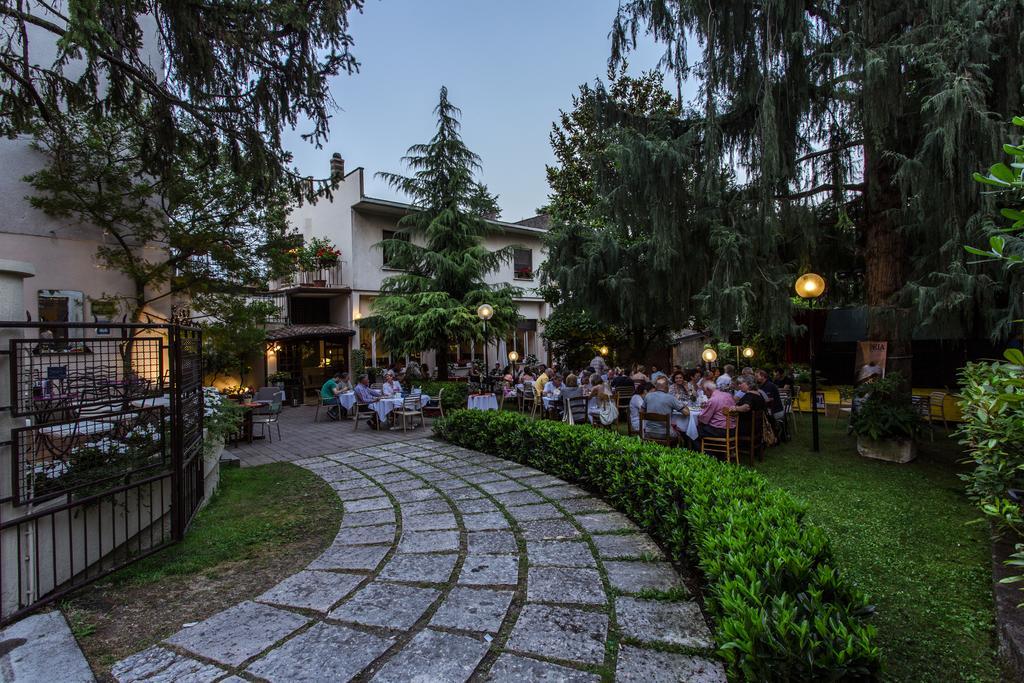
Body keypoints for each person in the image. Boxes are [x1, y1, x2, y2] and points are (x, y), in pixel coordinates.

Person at [730, 375, 768, 445]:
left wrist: (735, 408)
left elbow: (746, 407)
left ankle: (731, 449)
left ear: (748, 384)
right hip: (757, 427)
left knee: (726, 427)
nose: (739, 385)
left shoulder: (750, 395)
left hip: (746, 428)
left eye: (741, 383)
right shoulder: (758, 394)